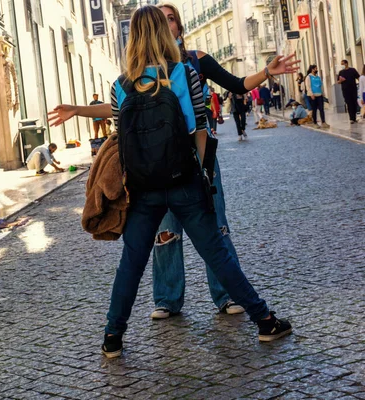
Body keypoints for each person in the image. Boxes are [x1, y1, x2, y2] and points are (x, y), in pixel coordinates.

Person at [48, 2, 299, 323]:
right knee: (168, 235)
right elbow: (124, 111)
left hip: (184, 166)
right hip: (167, 169)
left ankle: (222, 296)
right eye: (161, 21)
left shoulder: (193, 63)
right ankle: (169, 298)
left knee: (214, 231)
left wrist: (266, 72)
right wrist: (79, 108)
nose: (165, 26)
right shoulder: (139, 78)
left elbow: (235, 85)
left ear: (178, 27)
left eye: (170, 19)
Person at [101, 5, 291, 357]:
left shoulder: (120, 85)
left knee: (132, 262)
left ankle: (113, 337)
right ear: (163, 32)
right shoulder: (183, 73)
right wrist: (203, 175)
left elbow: (120, 138)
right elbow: (198, 130)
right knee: (217, 253)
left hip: (143, 189)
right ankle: (264, 320)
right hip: (183, 180)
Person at [337, 59, 360, 123]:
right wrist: (340, 81)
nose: (342, 65)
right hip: (345, 90)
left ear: (346, 63)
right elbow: (338, 81)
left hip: (353, 89)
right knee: (349, 103)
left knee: (354, 103)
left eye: (342, 64)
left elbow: (358, 77)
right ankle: (351, 118)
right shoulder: (341, 72)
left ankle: (354, 117)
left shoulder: (352, 70)